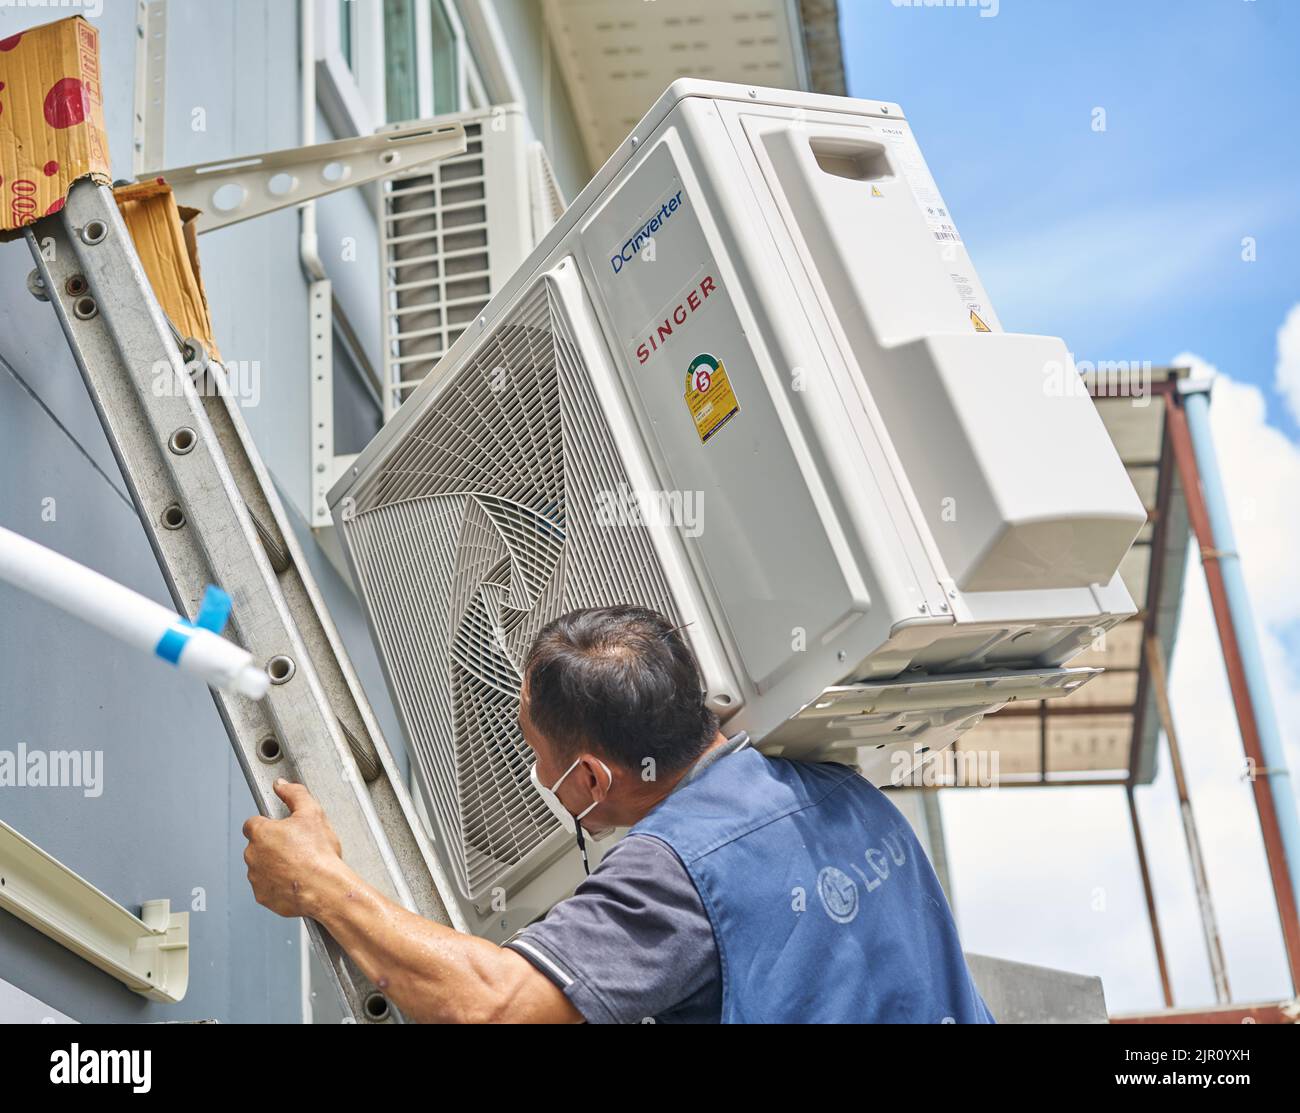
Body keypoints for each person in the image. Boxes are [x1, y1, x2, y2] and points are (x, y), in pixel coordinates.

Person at [242, 604, 993, 1023]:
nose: (536, 775)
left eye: (534, 752)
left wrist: (318, 882)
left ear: (593, 777)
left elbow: (493, 1006)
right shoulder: (845, 789)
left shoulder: (678, 869)